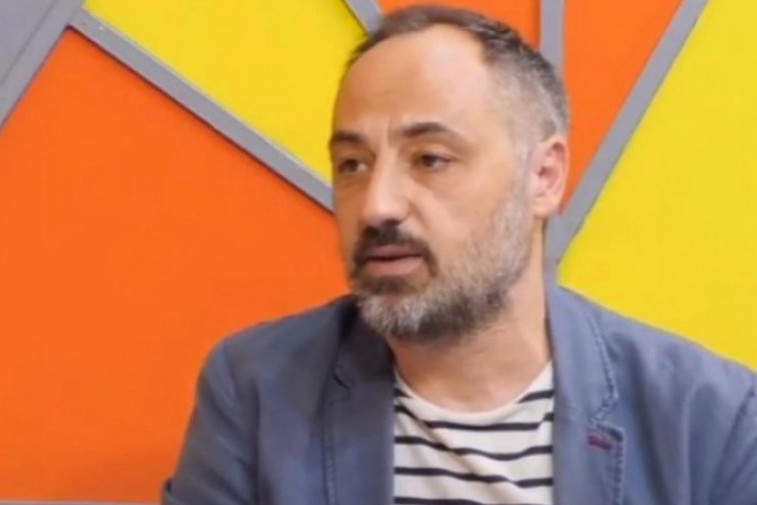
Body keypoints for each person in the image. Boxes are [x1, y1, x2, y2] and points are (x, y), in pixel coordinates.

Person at [161, 5, 757, 505]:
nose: (377, 206)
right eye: (353, 165)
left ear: (544, 176)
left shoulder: (711, 422)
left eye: (430, 159)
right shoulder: (257, 392)